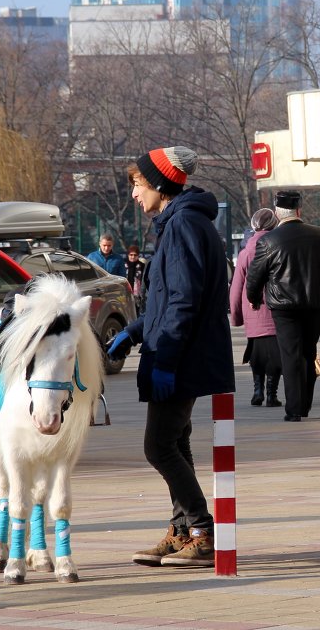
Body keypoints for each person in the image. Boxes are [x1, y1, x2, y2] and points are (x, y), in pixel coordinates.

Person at [105, 145, 234, 568]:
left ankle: (200, 531)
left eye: (138, 185)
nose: (134, 195)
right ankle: (182, 530)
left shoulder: (182, 226)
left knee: (158, 446)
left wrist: (164, 361)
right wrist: (134, 331)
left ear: (159, 184)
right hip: (181, 354)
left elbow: (182, 303)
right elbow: (166, 302)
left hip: (182, 358)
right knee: (175, 442)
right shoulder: (181, 222)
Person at [246, 190, 320, 422]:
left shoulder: (268, 241)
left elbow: (254, 276)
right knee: (308, 353)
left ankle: (294, 409)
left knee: (290, 355)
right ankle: (305, 404)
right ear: (299, 210)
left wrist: (254, 299)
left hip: (283, 307)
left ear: (278, 213)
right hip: (315, 304)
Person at [229, 208, 282, 408]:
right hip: (274, 309)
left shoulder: (245, 252)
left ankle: (257, 390)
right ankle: (271, 394)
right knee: (275, 355)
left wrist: (235, 316)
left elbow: (237, 286)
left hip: (252, 311)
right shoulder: (278, 246)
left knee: (256, 353)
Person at [124, 245, 146, 312]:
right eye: (131, 255)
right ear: (128, 255)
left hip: (137, 295)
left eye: (135, 255)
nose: (133, 257)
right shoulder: (123, 265)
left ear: (138, 255)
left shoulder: (142, 265)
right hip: (125, 293)